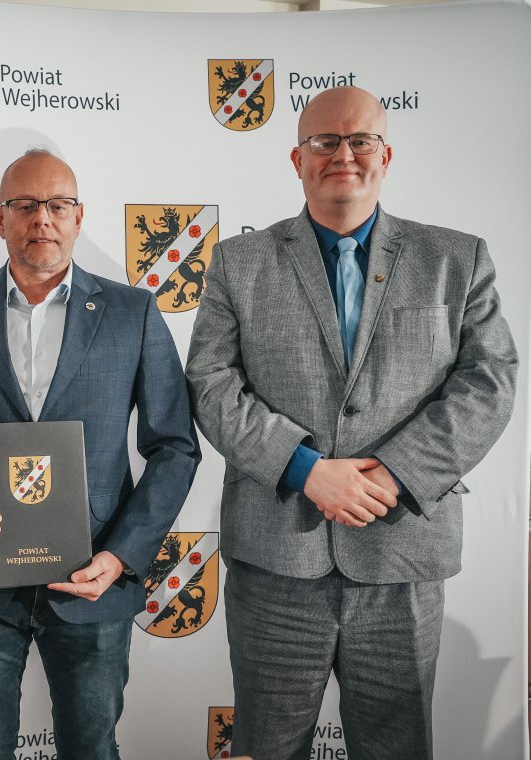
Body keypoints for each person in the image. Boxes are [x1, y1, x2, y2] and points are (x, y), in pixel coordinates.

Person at [185, 86, 518, 760]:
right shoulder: (239, 263)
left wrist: (393, 473)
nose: (343, 154)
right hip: (276, 561)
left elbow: (490, 381)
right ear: (297, 158)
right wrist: (305, 469)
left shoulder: (457, 260)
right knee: (267, 748)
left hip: (401, 559)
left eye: (360, 139)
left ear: (385, 155)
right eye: (324, 141)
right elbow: (210, 383)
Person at [0, 148, 200, 759]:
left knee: (91, 748)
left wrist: (121, 556)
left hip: (93, 578)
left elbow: (175, 447)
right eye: (25, 205)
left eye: (57, 205)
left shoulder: (132, 312)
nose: (42, 219)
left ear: (79, 216)